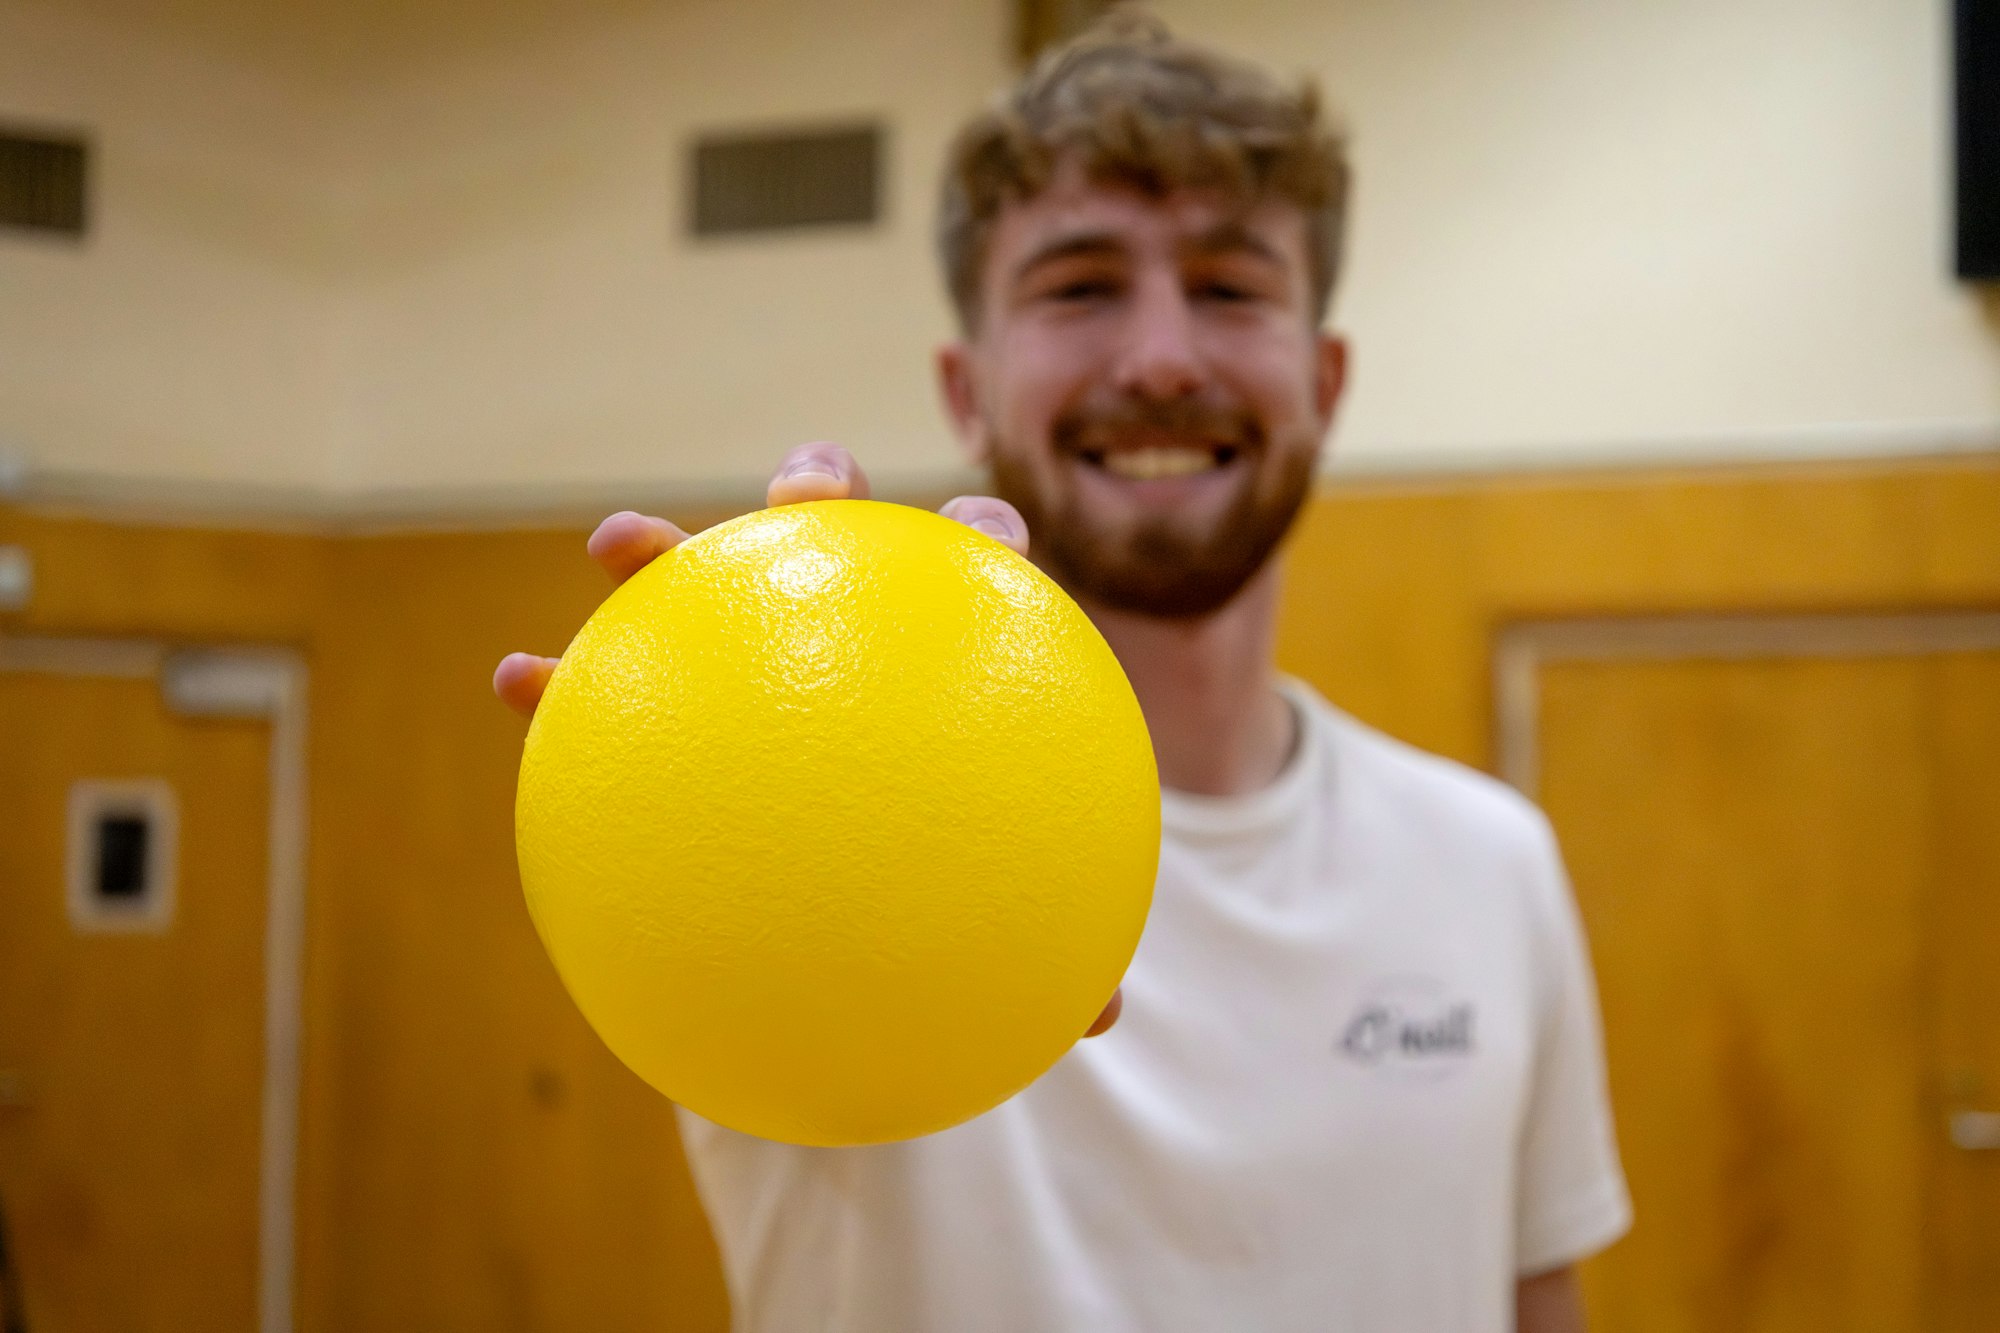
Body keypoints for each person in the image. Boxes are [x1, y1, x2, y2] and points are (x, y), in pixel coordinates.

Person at [496, 16, 1629, 1332]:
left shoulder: (1491, 862)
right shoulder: (844, 849)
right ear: (965, 387)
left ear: (1323, 380)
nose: (1159, 357)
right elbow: (728, 887)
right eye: (1082, 287)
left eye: (1230, 285)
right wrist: (709, 749)